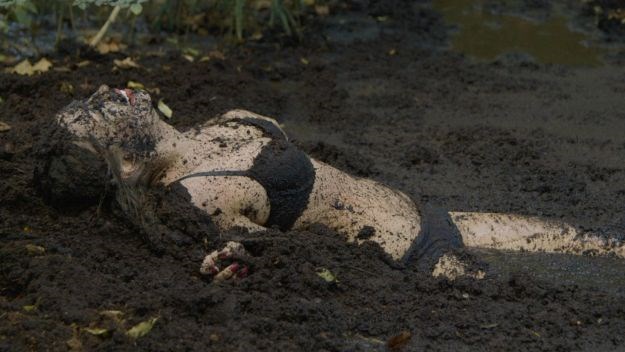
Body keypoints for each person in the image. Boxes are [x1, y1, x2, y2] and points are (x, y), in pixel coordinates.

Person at [38, 85, 625, 281]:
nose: (106, 94)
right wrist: (238, 256)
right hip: (419, 262)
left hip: (435, 214)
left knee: (606, 245)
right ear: (128, 164)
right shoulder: (198, 195)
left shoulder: (207, 128)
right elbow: (272, 253)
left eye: (93, 97)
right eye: (98, 113)